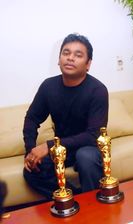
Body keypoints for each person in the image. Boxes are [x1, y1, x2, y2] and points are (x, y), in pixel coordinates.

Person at [23, 33, 109, 200]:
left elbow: (93, 135)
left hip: (88, 147)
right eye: (66, 53)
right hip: (62, 149)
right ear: (59, 59)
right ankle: (76, 199)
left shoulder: (97, 90)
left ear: (88, 64)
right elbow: (32, 118)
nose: (70, 58)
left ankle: (93, 205)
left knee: (85, 157)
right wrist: (30, 150)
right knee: (32, 171)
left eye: (78, 55)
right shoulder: (48, 86)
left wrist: (48, 146)